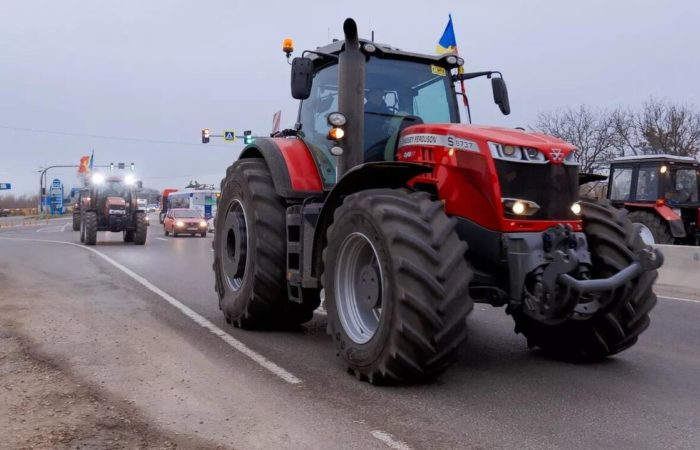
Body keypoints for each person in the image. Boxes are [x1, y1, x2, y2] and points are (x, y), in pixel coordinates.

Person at [364, 88, 393, 161]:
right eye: (374, 95)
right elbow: (365, 127)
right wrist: (381, 127)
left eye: (380, 95)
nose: (377, 97)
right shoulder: (362, 111)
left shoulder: (389, 112)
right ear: (368, 97)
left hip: (388, 144)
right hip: (369, 146)